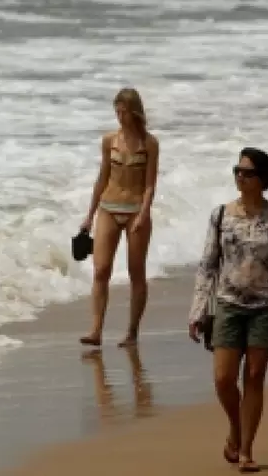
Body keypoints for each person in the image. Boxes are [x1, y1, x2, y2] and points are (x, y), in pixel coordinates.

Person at [187, 148, 268, 473]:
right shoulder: (221, 215)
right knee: (223, 379)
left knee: (254, 376)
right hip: (228, 304)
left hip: (267, 306)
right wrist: (198, 310)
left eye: (247, 173)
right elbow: (207, 266)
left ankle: (247, 450)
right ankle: (235, 430)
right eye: (237, 171)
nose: (240, 177)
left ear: (262, 178)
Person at [79, 87, 160, 348]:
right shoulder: (109, 140)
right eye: (117, 111)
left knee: (137, 272)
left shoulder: (149, 144)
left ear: (135, 112)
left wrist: (144, 213)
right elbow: (102, 177)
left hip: (136, 210)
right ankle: (95, 330)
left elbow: (150, 184)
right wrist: (89, 216)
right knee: (101, 269)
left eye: (124, 112)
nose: (120, 116)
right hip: (108, 208)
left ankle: (132, 332)